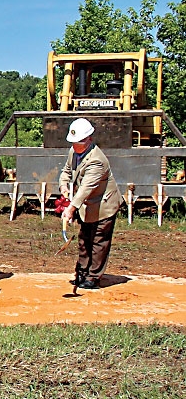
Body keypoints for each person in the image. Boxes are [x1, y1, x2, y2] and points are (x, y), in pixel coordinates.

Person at [59, 118, 123, 290]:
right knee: (84, 239)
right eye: (73, 142)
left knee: (98, 241)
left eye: (78, 142)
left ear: (89, 139)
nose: (75, 145)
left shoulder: (97, 161)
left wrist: (71, 208)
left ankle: (93, 277)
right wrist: (64, 186)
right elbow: (66, 171)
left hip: (103, 206)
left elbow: (86, 188)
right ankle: (82, 272)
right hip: (86, 206)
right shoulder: (73, 152)